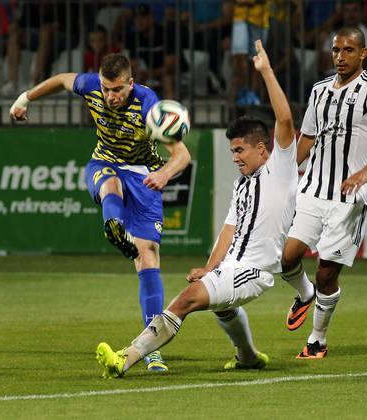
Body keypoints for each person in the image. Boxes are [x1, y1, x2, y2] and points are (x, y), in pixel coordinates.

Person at [95, 39, 298, 378]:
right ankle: (248, 357)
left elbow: (285, 119)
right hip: (233, 266)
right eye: (231, 152)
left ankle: (126, 357)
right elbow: (229, 229)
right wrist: (210, 267)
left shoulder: (281, 170)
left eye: (240, 151)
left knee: (185, 300)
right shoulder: (242, 185)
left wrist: (265, 72)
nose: (235, 158)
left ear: (263, 149)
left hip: (255, 270)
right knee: (223, 309)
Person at [9, 53, 191, 373]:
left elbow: (182, 155)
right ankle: (114, 224)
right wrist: (25, 98)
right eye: (106, 89)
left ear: (130, 83)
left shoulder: (148, 104)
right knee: (109, 185)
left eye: (117, 89)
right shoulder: (91, 86)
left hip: (144, 174)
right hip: (103, 162)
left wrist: (164, 174)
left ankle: (151, 348)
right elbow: (61, 80)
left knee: (148, 257)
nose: (110, 96)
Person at [280, 26, 367, 358]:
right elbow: (307, 138)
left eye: (348, 50)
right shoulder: (319, 90)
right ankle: (305, 294)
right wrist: (282, 174)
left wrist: (366, 172)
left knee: (326, 272)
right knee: (286, 257)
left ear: (363, 53)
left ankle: (317, 339)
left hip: (349, 199)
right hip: (312, 189)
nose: (340, 56)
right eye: (336, 50)